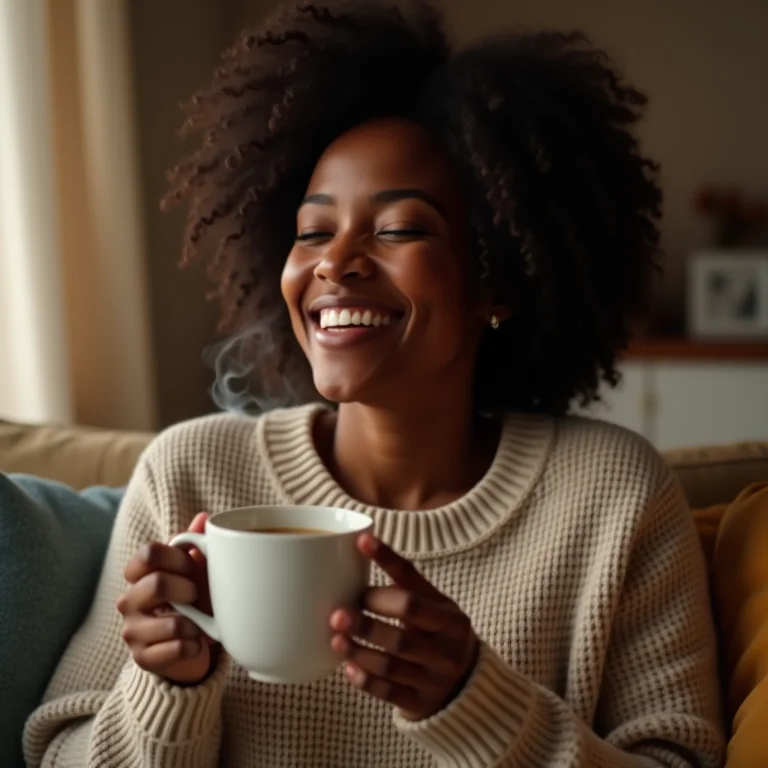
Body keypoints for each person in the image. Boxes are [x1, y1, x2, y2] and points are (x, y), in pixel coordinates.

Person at [24, 1, 725, 766]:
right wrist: (169, 686)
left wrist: (471, 700)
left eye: (398, 229)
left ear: (502, 283)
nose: (336, 263)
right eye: (314, 232)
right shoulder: (189, 474)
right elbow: (59, 751)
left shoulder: (614, 497)